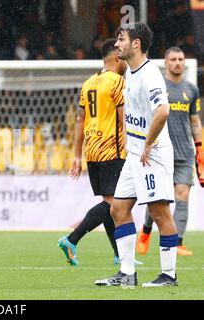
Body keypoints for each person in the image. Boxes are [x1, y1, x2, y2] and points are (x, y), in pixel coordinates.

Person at [95, 22, 179, 287]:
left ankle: (168, 275)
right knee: (118, 209)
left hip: (151, 154)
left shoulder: (150, 74)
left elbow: (162, 110)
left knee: (159, 213)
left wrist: (148, 143)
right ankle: (127, 274)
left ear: (136, 44)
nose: (116, 44)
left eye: (121, 39)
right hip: (135, 155)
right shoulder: (130, 72)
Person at [58, 38, 133, 267]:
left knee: (110, 204)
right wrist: (132, 145)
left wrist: (77, 155)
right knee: (114, 205)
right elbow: (124, 119)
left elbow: (80, 121)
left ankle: (119, 254)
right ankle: (72, 239)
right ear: (117, 57)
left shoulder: (88, 83)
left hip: (92, 152)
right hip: (113, 149)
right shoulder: (118, 83)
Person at [136, 47, 203, 256]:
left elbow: (194, 121)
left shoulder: (191, 90)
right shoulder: (158, 86)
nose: (178, 63)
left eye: (181, 59)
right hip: (160, 152)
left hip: (184, 153)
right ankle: (146, 231)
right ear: (166, 62)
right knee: (158, 198)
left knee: (182, 195)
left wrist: (200, 149)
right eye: (173, 59)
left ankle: (179, 242)